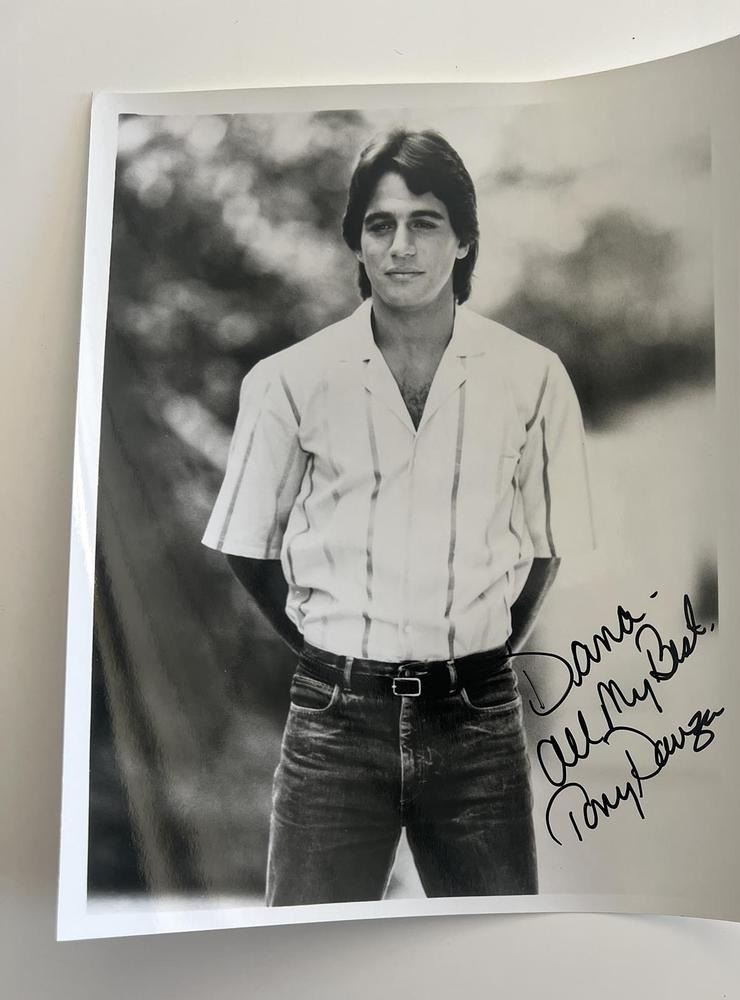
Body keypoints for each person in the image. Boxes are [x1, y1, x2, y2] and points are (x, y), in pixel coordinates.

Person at [202, 128, 595, 905]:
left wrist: (480, 653)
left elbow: (546, 544)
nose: (401, 246)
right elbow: (247, 545)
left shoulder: (532, 376)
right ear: (357, 240)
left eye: (425, 223)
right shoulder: (290, 379)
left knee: (491, 952)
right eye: (380, 225)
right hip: (334, 725)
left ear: (463, 239)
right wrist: (332, 654)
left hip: (476, 722)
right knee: (306, 953)